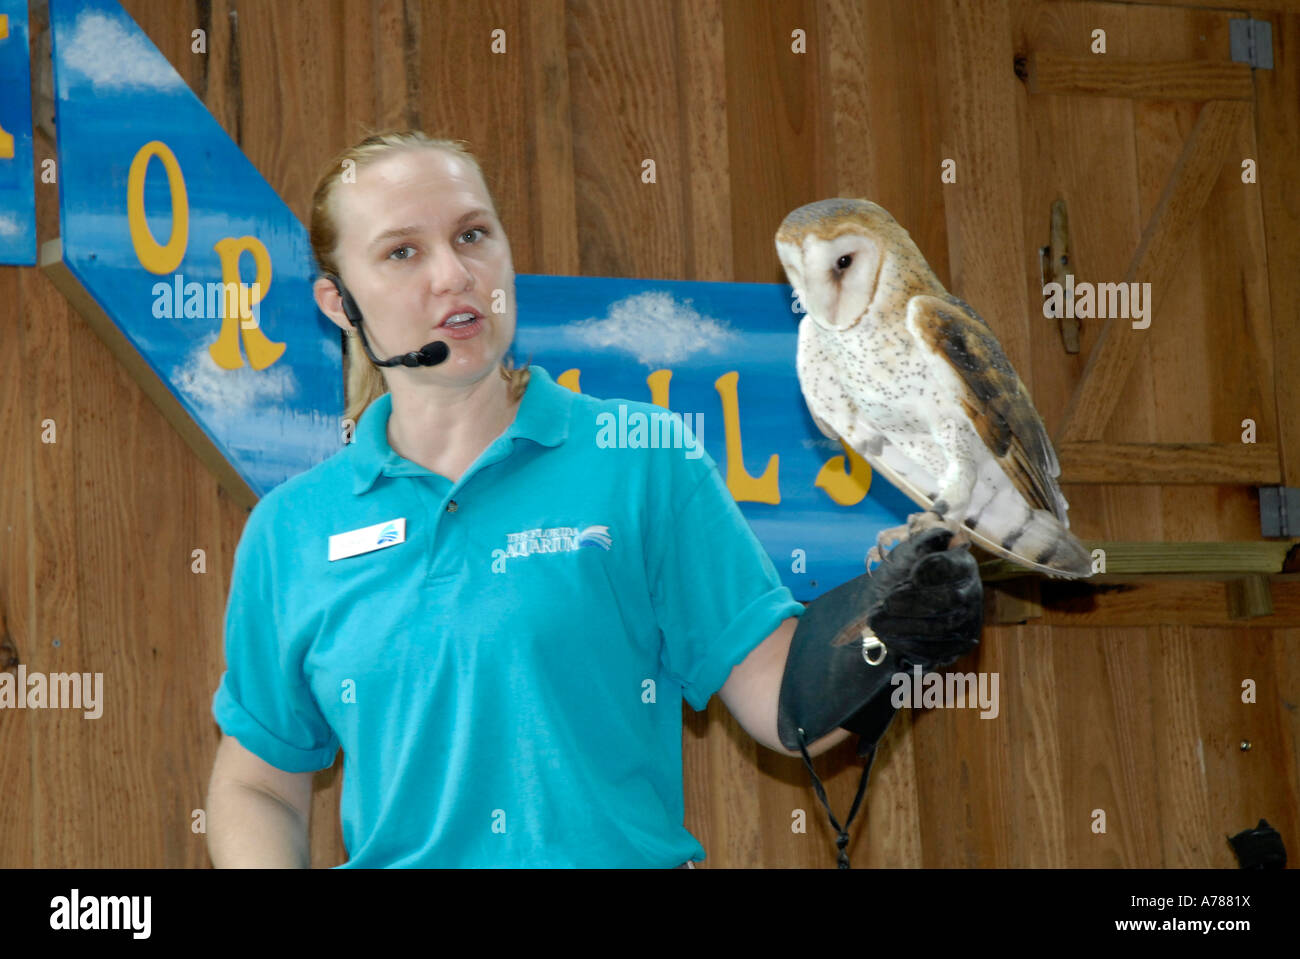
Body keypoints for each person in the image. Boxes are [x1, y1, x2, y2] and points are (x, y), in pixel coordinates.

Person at [205, 130, 983, 869]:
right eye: (402, 251)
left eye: (473, 235)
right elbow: (257, 783)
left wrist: (884, 629)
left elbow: (784, 704)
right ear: (340, 304)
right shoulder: (292, 530)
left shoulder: (640, 459)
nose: (453, 273)